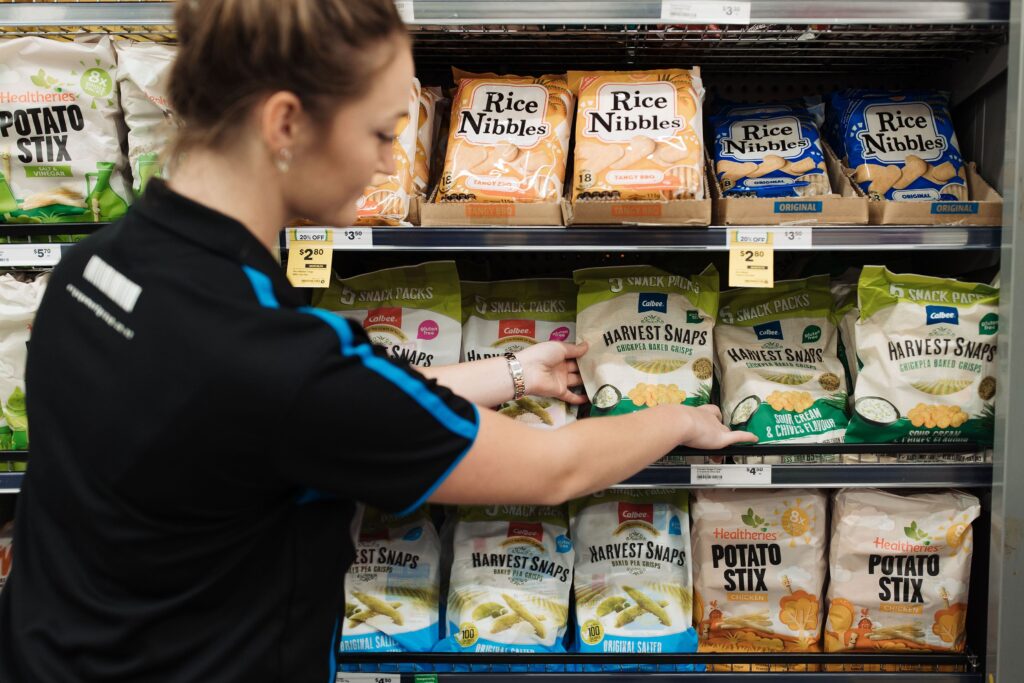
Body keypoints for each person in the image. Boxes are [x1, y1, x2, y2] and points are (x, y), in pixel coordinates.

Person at [0, 1, 755, 681]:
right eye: (381, 131)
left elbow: (304, 422)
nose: (392, 162)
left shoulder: (95, 268)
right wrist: (682, 418)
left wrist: (513, 372)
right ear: (286, 123)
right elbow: (552, 468)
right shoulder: (274, 356)